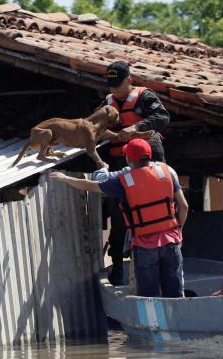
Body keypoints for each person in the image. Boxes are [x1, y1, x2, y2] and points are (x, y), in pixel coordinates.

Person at [50, 139, 188, 297]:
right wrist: (178, 231)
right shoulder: (167, 172)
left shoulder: (124, 180)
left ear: (129, 159)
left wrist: (66, 178)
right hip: (171, 242)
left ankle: (152, 323)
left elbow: (91, 185)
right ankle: (177, 321)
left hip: (144, 246)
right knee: (176, 295)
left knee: (149, 298)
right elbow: (183, 206)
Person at [102, 61, 170, 285]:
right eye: (111, 85)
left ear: (129, 80)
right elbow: (92, 125)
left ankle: (164, 262)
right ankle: (118, 268)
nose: (114, 90)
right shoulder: (107, 102)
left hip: (147, 162)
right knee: (119, 213)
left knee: (153, 213)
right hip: (120, 162)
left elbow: (162, 118)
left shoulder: (144, 97)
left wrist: (135, 129)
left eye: (118, 85)